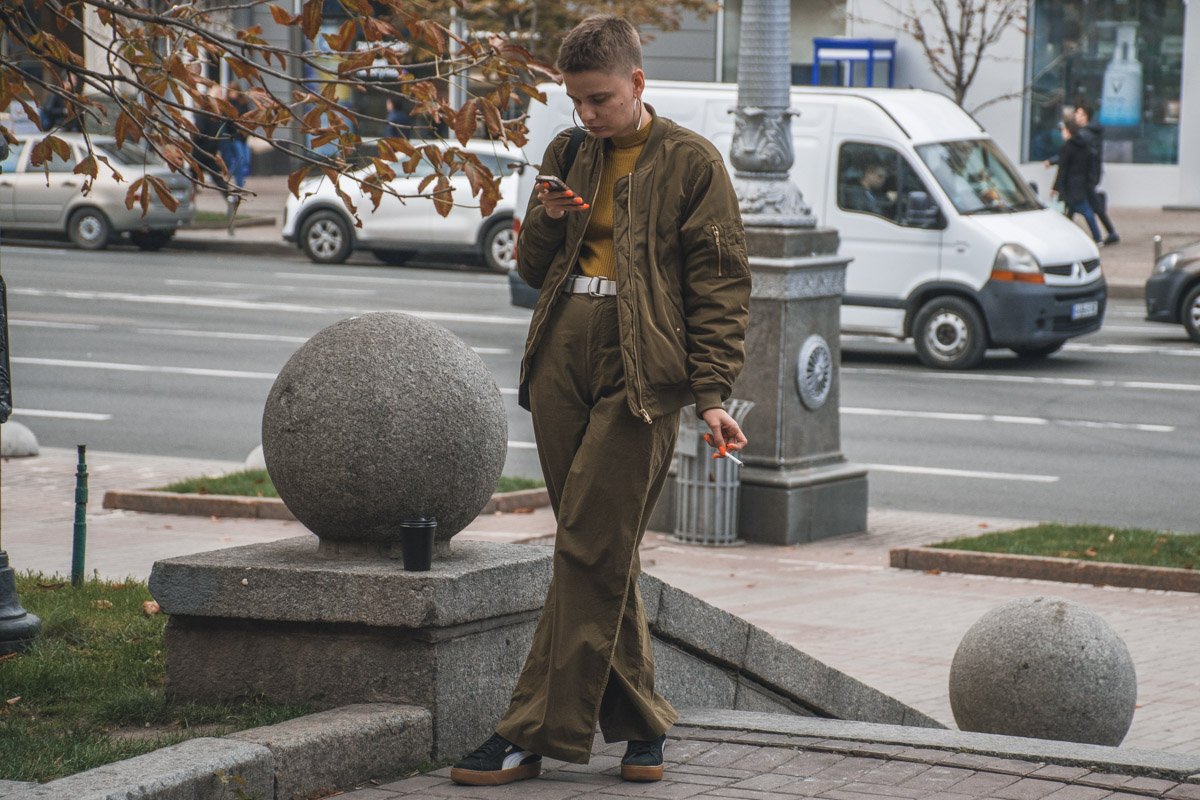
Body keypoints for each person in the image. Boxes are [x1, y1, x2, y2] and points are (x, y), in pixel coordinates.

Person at [450, 14, 751, 788]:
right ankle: (642, 724)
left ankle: (527, 734)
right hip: (561, 352)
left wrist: (714, 393)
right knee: (596, 546)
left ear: (638, 84)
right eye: (576, 100)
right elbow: (530, 263)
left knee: (587, 545)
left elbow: (719, 288)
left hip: (643, 370)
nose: (587, 114)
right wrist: (549, 220)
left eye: (600, 99)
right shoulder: (568, 152)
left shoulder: (691, 162)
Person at [1072, 103, 1119, 244]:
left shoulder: (1085, 134)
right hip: (1092, 174)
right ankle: (1110, 232)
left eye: (1079, 114)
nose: (1076, 116)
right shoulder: (1093, 132)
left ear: (1086, 116)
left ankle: (1101, 235)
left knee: (1084, 205)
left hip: (1086, 175)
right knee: (1091, 204)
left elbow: (1074, 151)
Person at [1052, 118, 1102, 244]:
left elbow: (1062, 170)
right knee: (1070, 213)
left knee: (1085, 211)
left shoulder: (1067, 148)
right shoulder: (1084, 146)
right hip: (1081, 184)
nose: (1062, 133)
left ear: (1068, 132)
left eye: (1063, 130)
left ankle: (1097, 237)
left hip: (1071, 187)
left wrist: (1056, 187)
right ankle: (1066, 237)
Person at [220, 85, 252, 189]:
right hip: (234, 137)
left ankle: (230, 174)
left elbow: (248, 118)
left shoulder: (243, 103)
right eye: (230, 91)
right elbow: (227, 121)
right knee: (240, 159)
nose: (232, 93)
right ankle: (239, 184)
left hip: (243, 137)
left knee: (245, 160)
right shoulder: (227, 105)